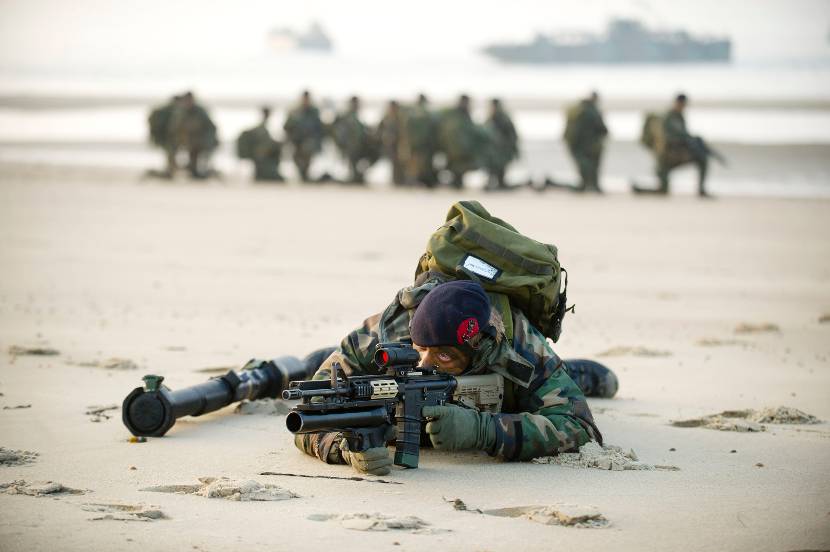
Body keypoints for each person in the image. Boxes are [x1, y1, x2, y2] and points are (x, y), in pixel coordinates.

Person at [294, 277, 617, 476]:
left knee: (570, 383)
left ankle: (575, 371)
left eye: (444, 356)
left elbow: (580, 426)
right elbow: (310, 412)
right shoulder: (380, 334)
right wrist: (345, 448)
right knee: (318, 365)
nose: (425, 364)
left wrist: (485, 432)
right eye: (420, 350)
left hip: (510, 381)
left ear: (477, 353)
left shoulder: (520, 346)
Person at [633, 93, 710, 197]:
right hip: (666, 159)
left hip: (674, 156)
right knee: (663, 191)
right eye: (681, 104)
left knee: (702, 158)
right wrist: (686, 140)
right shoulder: (668, 117)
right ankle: (640, 190)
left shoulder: (679, 117)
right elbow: (668, 139)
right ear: (677, 103)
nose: (682, 107)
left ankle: (701, 189)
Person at [435, 95, 485, 189]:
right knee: (458, 166)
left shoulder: (455, 115)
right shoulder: (459, 116)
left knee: (458, 167)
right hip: (457, 149)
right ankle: (456, 182)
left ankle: (457, 182)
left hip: (454, 148)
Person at [563, 92, 608, 193]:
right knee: (592, 165)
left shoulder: (578, 110)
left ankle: (584, 185)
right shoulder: (592, 111)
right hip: (590, 143)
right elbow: (602, 128)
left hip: (577, 143)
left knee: (583, 165)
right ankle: (593, 186)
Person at [168, 92, 219, 179]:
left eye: (189, 100)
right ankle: (172, 171)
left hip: (199, 140)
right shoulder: (181, 112)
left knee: (198, 156)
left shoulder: (200, 111)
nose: (188, 102)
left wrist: (207, 142)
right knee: (172, 149)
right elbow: (174, 128)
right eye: (186, 100)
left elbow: (211, 127)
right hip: (186, 140)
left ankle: (197, 171)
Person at [330, 96, 378, 184]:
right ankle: (355, 175)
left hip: (359, 147)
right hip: (350, 148)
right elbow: (339, 134)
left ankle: (358, 174)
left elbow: (362, 133)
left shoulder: (356, 118)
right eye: (355, 104)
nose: (356, 106)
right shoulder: (346, 118)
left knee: (376, 152)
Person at [283, 91, 325, 182]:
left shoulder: (314, 112)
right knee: (298, 159)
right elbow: (287, 126)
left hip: (310, 141)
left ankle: (305, 174)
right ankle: (302, 174)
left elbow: (319, 128)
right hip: (296, 141)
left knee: (307, 154)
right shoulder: (295, 111)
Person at [236, 107, 283, 182]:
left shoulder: (262, 128)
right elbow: (263, 145)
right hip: (261, 158)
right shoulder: (260, 129)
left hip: (262, 158)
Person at [400, 93, 438, 187]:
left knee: (412, 163)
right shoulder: (426, 113)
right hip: (422, 143)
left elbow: (405, 128)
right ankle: (416, 180)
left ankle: (411, 180)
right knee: (421, 163)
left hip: (411, 142)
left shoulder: (411, 112)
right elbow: (430, 129)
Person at [482, 98, 520, 190]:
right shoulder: (491, 119)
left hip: (502, 150)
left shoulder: (503, 119)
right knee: (492, 167)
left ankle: (500, 182)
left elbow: (512, 136)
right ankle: (494, 182)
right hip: (494, 151)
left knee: (499, 167)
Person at [147, 94, 181, 177]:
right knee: (171, 153)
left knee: (170, 154)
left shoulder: (166, 110)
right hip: (166, 137)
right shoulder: (169, 111)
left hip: (165, 137)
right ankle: (171, 171)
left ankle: (171, 170)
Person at [377, 100, 405, 186]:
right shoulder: (387, 117)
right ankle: (395, 180)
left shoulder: (399, 118)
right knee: (393, 162)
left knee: (398, 162)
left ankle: (398, 180)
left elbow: (402, 131)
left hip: (397, 144)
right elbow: (380, 129)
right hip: (389, 144)